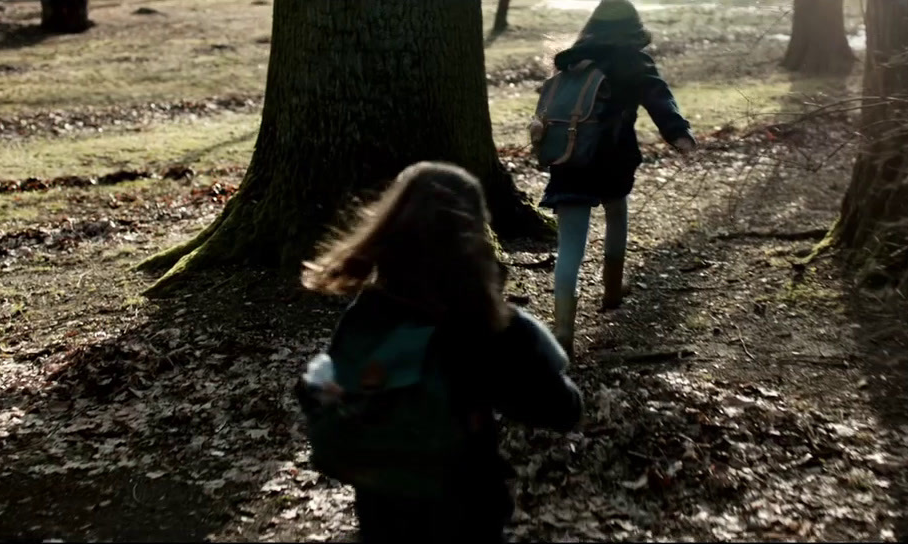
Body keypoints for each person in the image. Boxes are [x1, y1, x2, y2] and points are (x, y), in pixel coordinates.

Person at [298, 161, 584, 542]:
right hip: (467, 512)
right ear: (475, 235)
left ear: (390, 224)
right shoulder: (492, 327)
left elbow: (332, 390)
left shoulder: (368, 312)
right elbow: (563, 410)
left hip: (382, 509)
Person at [540, 0, 696, 358]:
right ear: (633, 28)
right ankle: (612, 291)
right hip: (611, 159)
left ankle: (563, 327)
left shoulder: (569, 61)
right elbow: (660, 98)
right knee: (616, 213)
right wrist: (679, 134)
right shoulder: (633, 61)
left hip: (568, 159)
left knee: (570, 245)